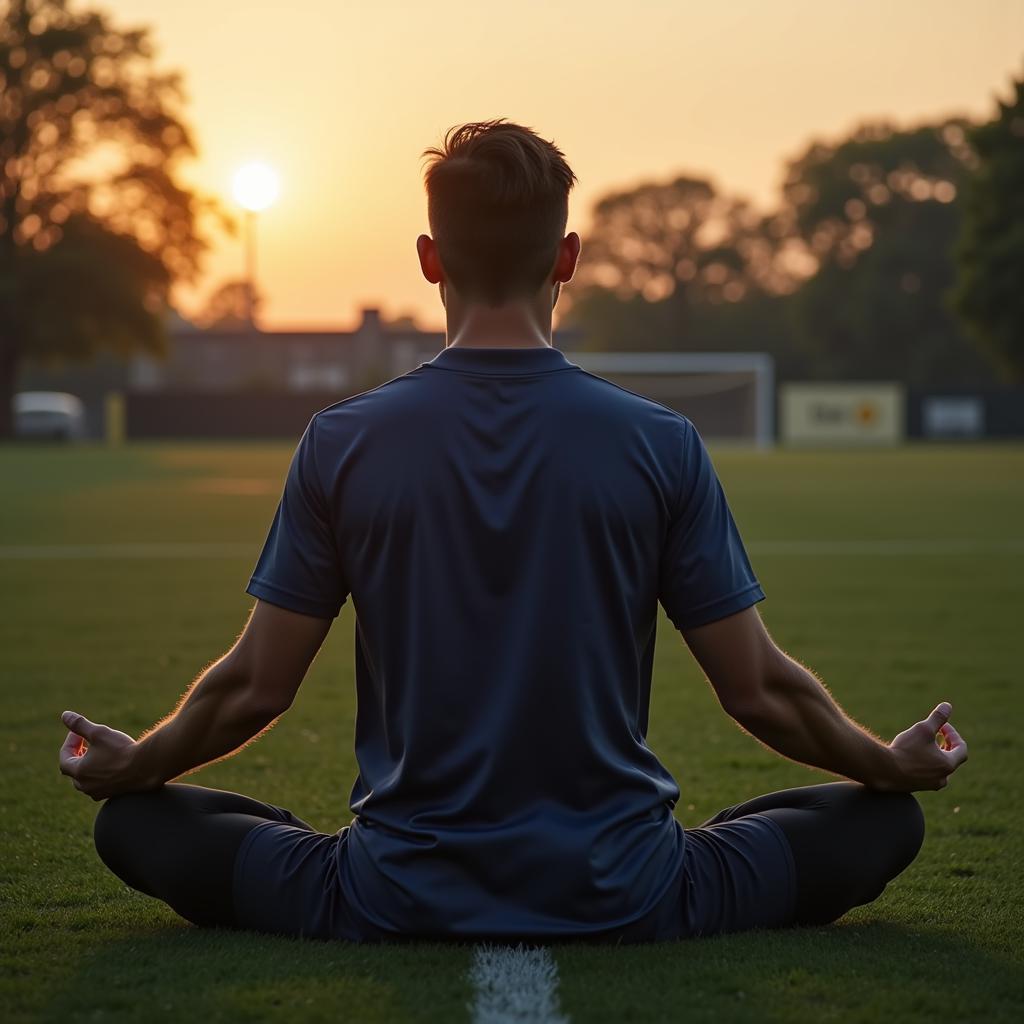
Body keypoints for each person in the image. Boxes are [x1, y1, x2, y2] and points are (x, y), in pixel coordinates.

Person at [57, 119, 968, 943]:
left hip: (394, 891)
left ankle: (368, 860)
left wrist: (142, 762)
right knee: (882, 817)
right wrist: (882, 761)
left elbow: (254, 686)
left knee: (137, 821)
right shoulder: (661, 441)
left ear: (428, 257)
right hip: (630, 891)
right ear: (567, 256)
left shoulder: (344, 439)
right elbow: (762, 691)